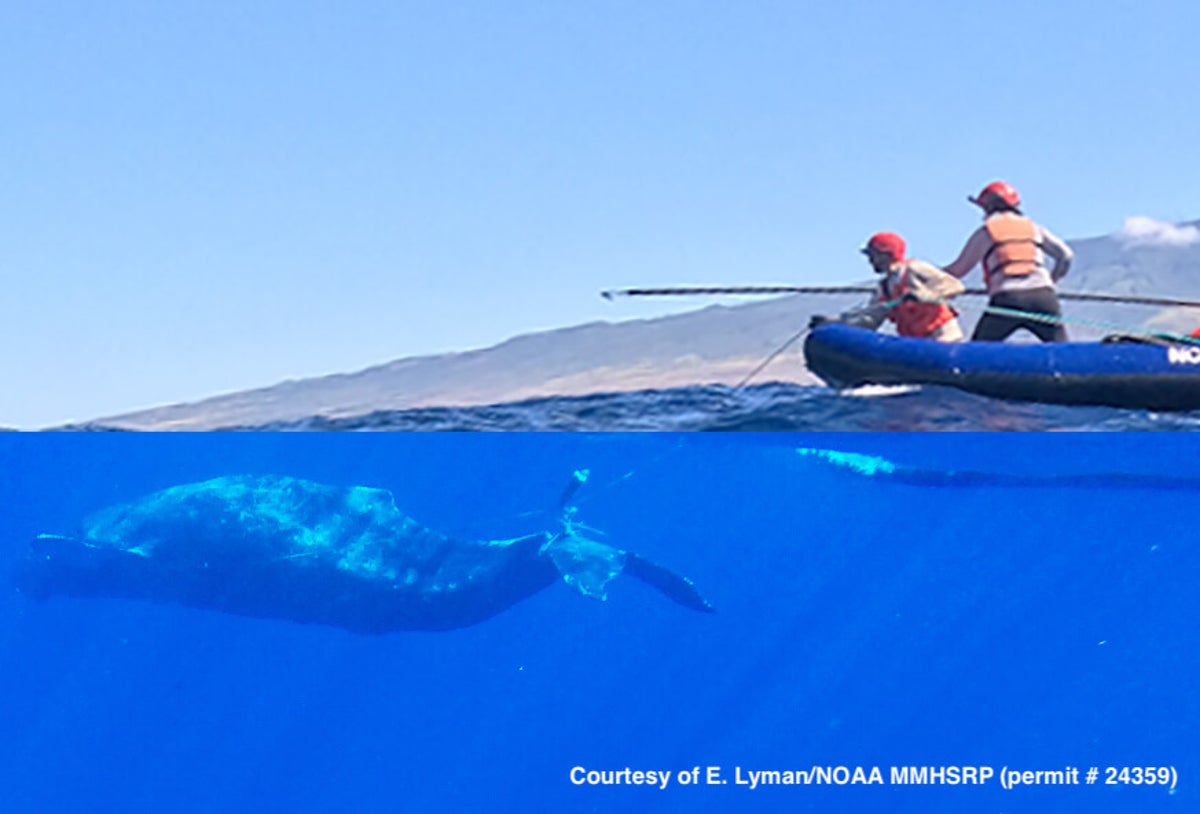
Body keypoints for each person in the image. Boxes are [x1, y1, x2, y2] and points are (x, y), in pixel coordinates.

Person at [942, 180, 1073, 342]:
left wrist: (925, 278)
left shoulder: (986, 232)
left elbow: (958, 270)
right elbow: (1066, 256)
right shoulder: (1034, 228)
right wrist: (1053, 280)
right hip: (1043, 297)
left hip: (1008, 298)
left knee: (980, 351)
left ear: (987, 207)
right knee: (1060, 348)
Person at [812, 231, 965, 341]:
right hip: (917, 346)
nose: (870, 261)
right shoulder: (883, 288)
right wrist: (834, 324)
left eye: (873, 255)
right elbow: (869, 320)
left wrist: (925, 295)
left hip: (944, 340)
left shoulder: (915, 269)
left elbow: (955, 286)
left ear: (886, 255)